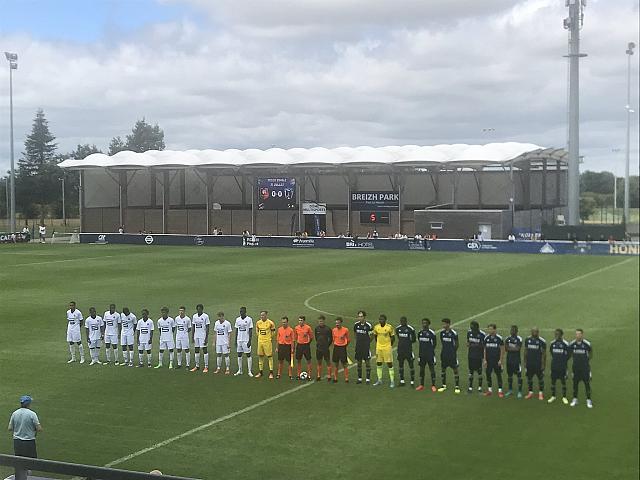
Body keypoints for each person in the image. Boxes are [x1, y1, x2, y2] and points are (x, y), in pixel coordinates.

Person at [8, 396, 42, 462]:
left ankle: (19, 472)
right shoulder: (32, 414)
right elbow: (39, 429)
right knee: (31, 462)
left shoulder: (15, 413)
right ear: (29, 404)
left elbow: (10, 428)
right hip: (29, 441)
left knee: (19, 461)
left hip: (17, 441)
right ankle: (28, 472)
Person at [569, 329, 593, 408]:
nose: (577, 335)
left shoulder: (587, 344)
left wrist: (586, 361)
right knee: (575, 385)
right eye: (576, 334)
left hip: (585, 368)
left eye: (579, 334)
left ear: (582, 335)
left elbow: (590, 353)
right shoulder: (572, 344)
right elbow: (571, 353)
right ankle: (575, 399)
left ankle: (588, 400)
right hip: (576, 368)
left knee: (587, 384)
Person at [437, 318, 461, 394]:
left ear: (448, 324)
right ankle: (443, 386)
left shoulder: (454, 333)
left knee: (455, 370)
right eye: (442, 324)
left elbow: (457, 344)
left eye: (444, 324)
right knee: (443, 370)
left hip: (452, 355)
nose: (443, 325)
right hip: (444, 354)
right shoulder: (442, 333)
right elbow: (442, 343)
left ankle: (457, 387)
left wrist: (453, 352)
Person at [372, 314, 395, 388]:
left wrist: (389, 345)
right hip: (379, 348)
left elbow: (393, 337)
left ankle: (392, 381)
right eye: (380, 319)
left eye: (382, 319)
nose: (380, 321)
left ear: (385, 320)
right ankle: (379, 380)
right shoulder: (376, 327)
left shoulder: (389, 327)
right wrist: (378, 344)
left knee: (389, 364)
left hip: (387, 348)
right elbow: (375, 336)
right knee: (378, 363)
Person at [548, 328, 570, 404]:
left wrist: (563, 360)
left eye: (557, 334)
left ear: (561, 335)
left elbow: (569, 355)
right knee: (553, 381)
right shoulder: (552, 343)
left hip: (562, 366)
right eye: (555, 334)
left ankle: (564, 397)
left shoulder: (565, 344)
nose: (556, 335)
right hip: (554, 365)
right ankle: (553, 396)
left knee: (563, 382)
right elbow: (551, 352)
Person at [524, 328, 546, 400]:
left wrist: (543, 364)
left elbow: (544, 354)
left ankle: (540, 393)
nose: (534, 333)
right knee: (529, 378)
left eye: (536, 331)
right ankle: (530, 392)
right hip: (530, 363)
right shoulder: (527, 340)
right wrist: (525, 361)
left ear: (538, 332)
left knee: (540, 379)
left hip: (538, 363)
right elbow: (526, 350)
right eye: (533, 331)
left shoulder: (542, 341)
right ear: (531, 332)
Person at [483, 323, 504, 397]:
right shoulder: (486, 338)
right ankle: (490, 390)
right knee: (488, 374)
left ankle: (500, 391)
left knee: (498, 375)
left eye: (491, 329)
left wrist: (500, 360)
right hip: (489, 360)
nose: (489, 330)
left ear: (495, 329)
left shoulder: (499, 338)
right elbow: (485, 349)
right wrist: (485, 360)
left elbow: (502, 350)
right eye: (489, 329)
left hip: (496, 360)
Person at [416, 318, 437, 392]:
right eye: (423, 323)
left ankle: (433, 385)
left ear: (428, 324)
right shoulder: (420, 332)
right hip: (421, 354)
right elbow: (419, 341)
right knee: (422, 370)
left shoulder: (432, 333)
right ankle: (421, 385)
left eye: (425, 323)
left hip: (430, 355)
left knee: (432, 370)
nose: (424, 324)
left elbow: (434, 344)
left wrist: (430, 351)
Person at [395, 316, 416, 387]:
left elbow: (414, 339)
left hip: (408, 350)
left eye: (404, 321)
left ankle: (412, 382)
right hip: (400, 350)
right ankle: (402, 381)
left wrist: (407, 343)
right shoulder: (398, 329)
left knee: (411, 365)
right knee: (400, 365)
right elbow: (398, 337)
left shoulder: (410, 329)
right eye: (401, 321)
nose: (402, 322)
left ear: (406, 321)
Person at [353, 310, 373, 384]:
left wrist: (367, 342)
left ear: (364, 317)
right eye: (359, 316)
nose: (360, 318)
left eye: (361, 316)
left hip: (365, 347)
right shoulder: (356, 325)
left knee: (367, 363)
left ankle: (368, 379)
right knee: (359, 363)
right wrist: (357, 341)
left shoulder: (368, 325)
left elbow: (372, 335)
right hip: (358, 347)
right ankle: (359, 378)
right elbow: (355, 333)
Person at [255, 310, 276, 379]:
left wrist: (269, 338)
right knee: (260, 356)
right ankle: (260, 372)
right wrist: (259, 337)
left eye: (263, 315)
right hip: (260, 341)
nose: (262, 316)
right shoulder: (258, 322)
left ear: (266, 315)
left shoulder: (270, 323)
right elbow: (257, 330)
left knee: (269, 356)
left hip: (267, 342)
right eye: (261, 315)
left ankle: (271, 373)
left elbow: (273, 332)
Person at [504, 325, 523, 398]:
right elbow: (506, 348)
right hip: (509, 360)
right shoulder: (507, 338)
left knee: (519, 376)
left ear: (516, 331)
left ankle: (520, 391)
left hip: (516, 360)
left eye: (513, 330)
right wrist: (512, 348)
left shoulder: (519, 339)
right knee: (510, 376)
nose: (511, 331)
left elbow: (517, 349)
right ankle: (510, 390)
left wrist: (510, 348)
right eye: (511, 330)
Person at [466, 320, 485, 394]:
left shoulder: (482, 334)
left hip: (478, 356)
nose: (471, 328)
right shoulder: (469, 333)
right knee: (471, 372)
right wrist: (471, 344)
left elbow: (483, 345)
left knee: (479, 372)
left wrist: (474, 345)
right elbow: (468, 342)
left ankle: (479, 388)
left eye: (472, 326)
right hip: (470, 355)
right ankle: (470, 387)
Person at [190, 304, 210, 373]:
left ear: (202, 309)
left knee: (204, 350)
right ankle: (197, 366)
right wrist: (192, 337)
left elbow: (207, 327)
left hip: (203, 335)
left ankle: (206, 366)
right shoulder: (194, 316)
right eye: (197, 309)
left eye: (200, 309)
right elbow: (193, 326)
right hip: (196, 336)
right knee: (196, 350)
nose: (199, 310)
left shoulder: (205, 316)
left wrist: (206, 338)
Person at [234, 307, 253, 376]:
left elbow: (250, 331)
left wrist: (250, 341)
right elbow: (236, 330)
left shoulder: (249, 319)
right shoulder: (237, 319)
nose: (241, 313)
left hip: (246, 340)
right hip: (239, 340)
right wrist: (235, 340)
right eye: (240, 311)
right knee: (239, 355)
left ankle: (249, 371)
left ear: (245, 312)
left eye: (242, 312)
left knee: (248, 355)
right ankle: (240, 370)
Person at [294, 315, 314, 380]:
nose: (300, 322)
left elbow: (311, 337)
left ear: (304, 321)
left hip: (306, 346)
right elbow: (295, 337)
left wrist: (308, 343)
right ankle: (298, 374)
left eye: (301, 320)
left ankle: (309, 375)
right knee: (298, 360)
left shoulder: (308, 328)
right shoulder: (296, 328)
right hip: (299, 345)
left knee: (308, 360)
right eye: (299, 320)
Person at [331, 317, 350, 383]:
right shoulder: (333, 330)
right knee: (336, 363)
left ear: (341, 323)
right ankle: (335, 378)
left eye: (338, 323)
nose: (337, 324)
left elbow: (348, 340)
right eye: (336, 323)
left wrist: (344, 345)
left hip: (342, 348)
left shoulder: (345, 330)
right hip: (336, 347)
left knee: (344, 363)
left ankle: (346, 378)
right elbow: (333, 339)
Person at [314, 315, 333, 381]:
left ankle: (329, 376)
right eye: (319, 321)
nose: (320, 322)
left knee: (328, 362)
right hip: (319, 348)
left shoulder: (328, 329)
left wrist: (327, 345)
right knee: (319, 362)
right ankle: (319, 376)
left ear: (324, 321)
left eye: (321, 321)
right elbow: (316, 337)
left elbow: (330, 339)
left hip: (325, 349)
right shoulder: (316, 328)